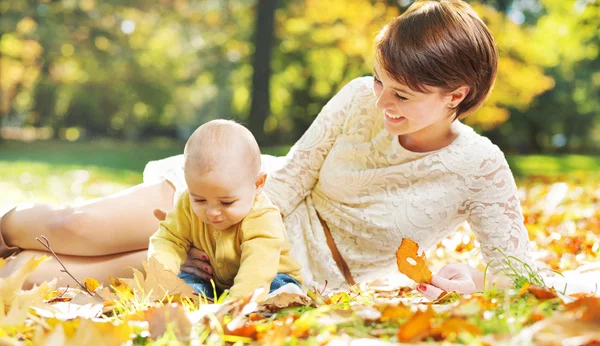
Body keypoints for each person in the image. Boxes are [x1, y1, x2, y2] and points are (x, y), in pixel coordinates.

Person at [0, 0, 533, 301]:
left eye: (402, 95)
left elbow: (522, 270)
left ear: (456, 95)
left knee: (42, 275)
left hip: (282, 266)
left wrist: (480, 278)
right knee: (76, 228)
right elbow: (294, 176)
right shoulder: (356, 99)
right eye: (379, 82)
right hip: (238, 197)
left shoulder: (480, 169)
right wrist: (223, 224)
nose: (382, 102)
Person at [149, 119, 302, 301]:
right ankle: (199, 301)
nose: (212, 212)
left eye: (226, 202)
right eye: (199, 199)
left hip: (267, 277)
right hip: (214, 281)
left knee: (277, 289)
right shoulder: (186, 204)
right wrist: (163, 280)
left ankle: (276, 298)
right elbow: (168, 240)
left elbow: (258, 268)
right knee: (185, 287)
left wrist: (236, 304)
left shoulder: (263, 217)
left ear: (257, 184)